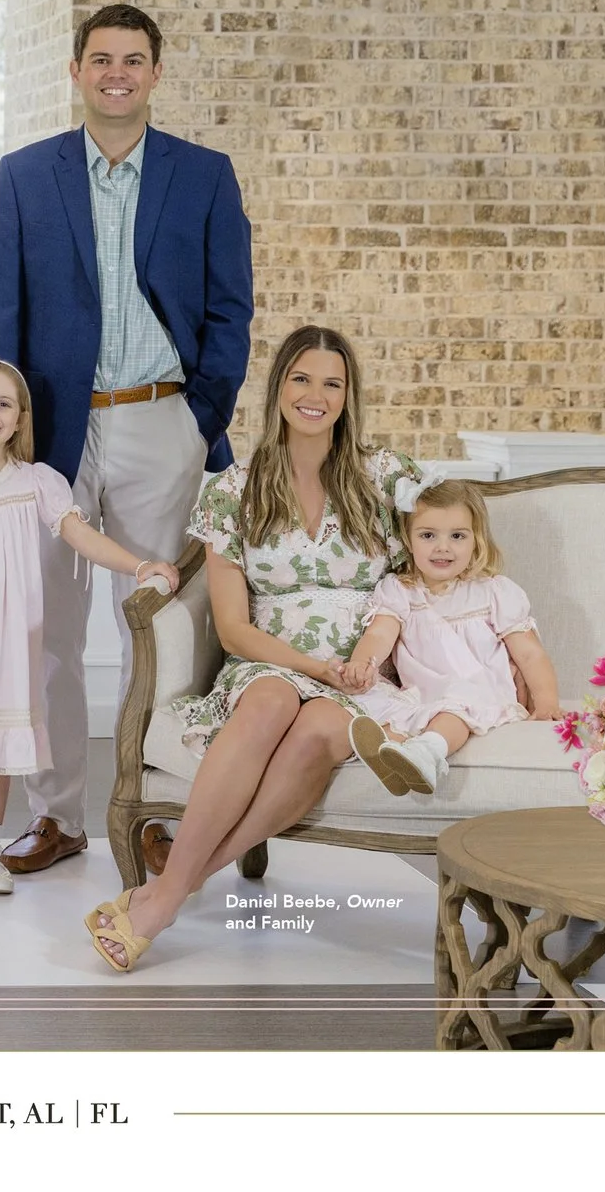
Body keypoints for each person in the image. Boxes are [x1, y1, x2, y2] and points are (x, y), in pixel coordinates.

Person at [0, 2, 253, 876]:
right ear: (76, 71)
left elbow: (229, 309)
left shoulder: (204, 175)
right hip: (52, 433)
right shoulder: (25, 176)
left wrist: (197, 415)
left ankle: (162, 809)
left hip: (162, 422)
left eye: (134, 60)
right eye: (101, 59)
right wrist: (10, 439)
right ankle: (55, 818)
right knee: (49, 632)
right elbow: (0, 314)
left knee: (163, 626)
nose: (116, 73)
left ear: (155, 74)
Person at [84, 324, 423, 971]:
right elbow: (234, 629)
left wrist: (372, 656)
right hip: (269, 659)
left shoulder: (387, 479)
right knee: (268, 705)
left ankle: (166, 894)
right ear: (279, 390)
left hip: (357, 673)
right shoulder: (233, 489)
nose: (315, 394)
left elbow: (436, 564)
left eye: (332, 382)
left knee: (318, 730)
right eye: (301, 378)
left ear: (349, 396)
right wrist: (305, 664)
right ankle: (169, 894)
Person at [0, 351, 179, 895]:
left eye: (4, 404)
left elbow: (80, 535)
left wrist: (139, 565)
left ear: (20, 420)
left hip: (10, 643)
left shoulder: (38, 483)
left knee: (0, 747)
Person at [338, 481, 560, 794]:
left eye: (457, 536)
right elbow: (379, 634)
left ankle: (428, 752)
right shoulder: (400, 590)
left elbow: (530, 654)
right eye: (428, 535)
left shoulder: (492, 591)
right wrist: (363, 662)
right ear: (408, 541)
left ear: (476, 541)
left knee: (452, 713)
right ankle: (391, 758)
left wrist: (547, 700)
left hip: (479, 691)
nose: (443, 547)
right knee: (390, 708)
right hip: (423, 691)